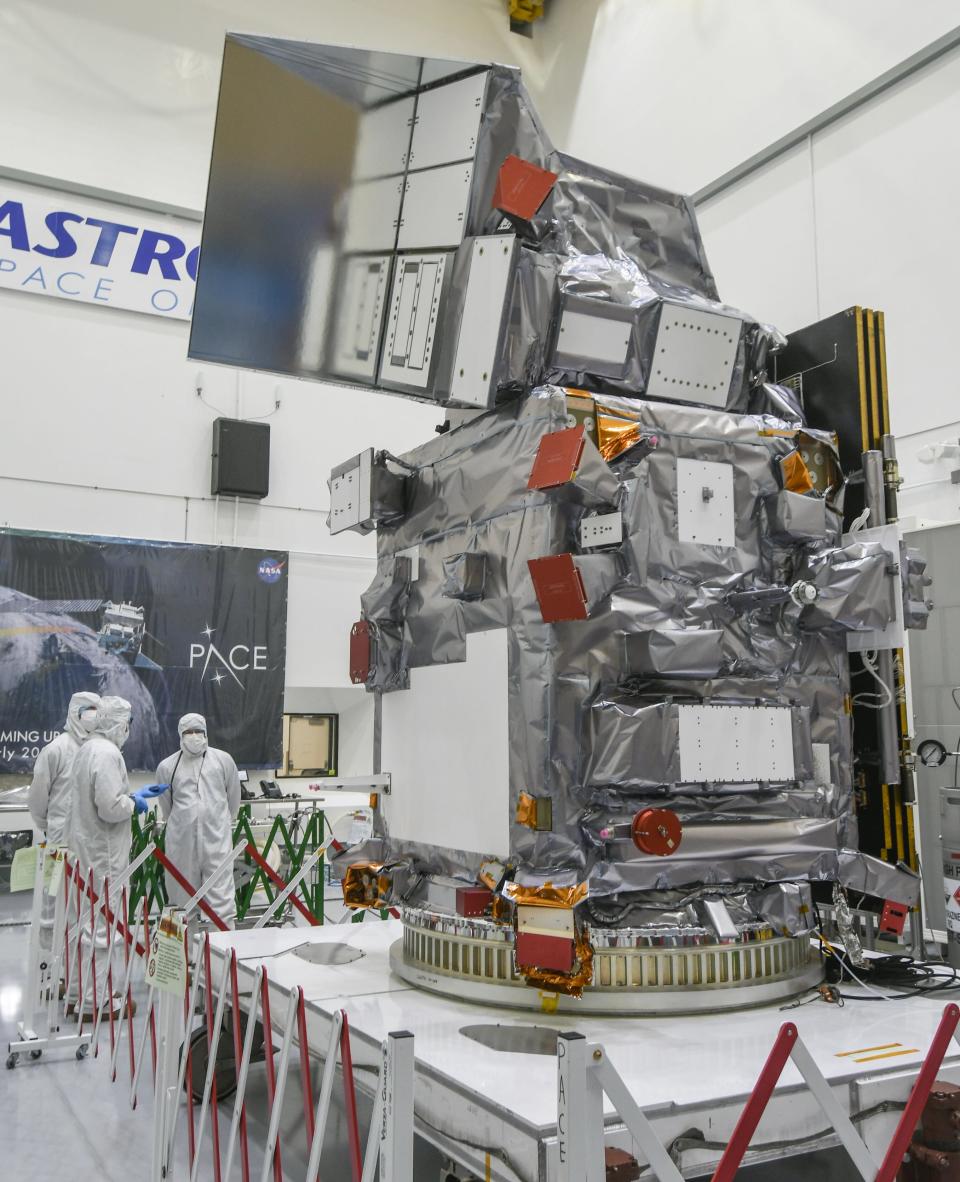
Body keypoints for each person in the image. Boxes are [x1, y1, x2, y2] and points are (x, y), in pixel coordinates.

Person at [68, 696, 164, 1020]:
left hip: (87, 850)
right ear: (119, 723)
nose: (129, 730)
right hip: (104, 853)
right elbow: (109, 808)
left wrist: (132, 796)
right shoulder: (107, 753)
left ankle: (80, 994)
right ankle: (100, 1001)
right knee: (104, 927)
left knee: (87, 923)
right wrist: (133, 802)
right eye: (129, 724)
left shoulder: (87, 748)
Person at [29, 692, 100, 957]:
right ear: (74, 711)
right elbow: (37, 796)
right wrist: (49, 826)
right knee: (52, 905)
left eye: (96, 709)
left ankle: (75, 977)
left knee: (82, 908)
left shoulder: (97, 748)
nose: (92, 714)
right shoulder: (56, 749)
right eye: (87, 709)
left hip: (88, 843)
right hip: (58, 842)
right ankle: (49, 972)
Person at [156, 714, 242, 928]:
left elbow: (233, 798)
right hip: (181, 843)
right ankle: (183, 959)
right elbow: (167, 806)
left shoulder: (223, 760)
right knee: (181, 902)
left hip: (217, 840)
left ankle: (222, 957)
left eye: (198, 731)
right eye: (188, 732)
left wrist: (218, 822)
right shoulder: (167, 766)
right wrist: (184, 824)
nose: (194, 736)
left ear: (205, 733)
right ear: (180, 735)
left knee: (221, 901)